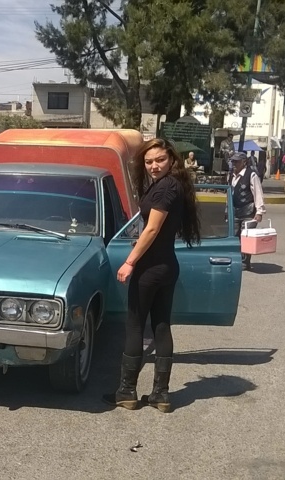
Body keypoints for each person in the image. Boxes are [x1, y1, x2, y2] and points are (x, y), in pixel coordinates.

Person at [102, 138, 201, 413]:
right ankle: (161, 395)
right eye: (148, 162)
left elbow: (153, 228)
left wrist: (130, 261)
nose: (154, 166)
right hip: (166, 264)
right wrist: (142, 247)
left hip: (151, 268)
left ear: (172, 160)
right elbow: (157, 231)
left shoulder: (166, 186)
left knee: (135, 325)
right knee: (161, 326)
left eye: (160, 160)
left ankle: (127, 391)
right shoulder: (172, 185)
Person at [228, 152, 266, 271]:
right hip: (234, 211)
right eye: (233, 161)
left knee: (246, 238)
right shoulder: (231, 175)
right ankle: (235, 260)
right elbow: (229, 195)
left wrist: (259, 212)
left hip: (248, 212)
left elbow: (258, 193)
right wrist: (227, 210)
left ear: (244, 162)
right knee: (233, 237)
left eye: (236, 161)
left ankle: (245, 262)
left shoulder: (251, 175)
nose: (234, 164)